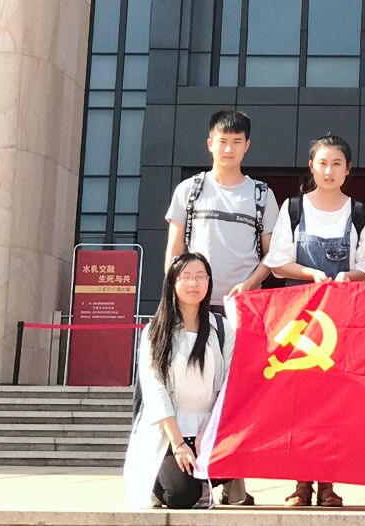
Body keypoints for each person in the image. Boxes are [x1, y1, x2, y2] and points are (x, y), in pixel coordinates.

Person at [164, 109, 278, 505]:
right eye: (222, 141)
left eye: (236, 142)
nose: (229, 148)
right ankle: (177, 462)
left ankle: (236, 480)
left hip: (240, 309)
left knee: (235, 393)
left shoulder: (261, 194)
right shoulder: (190, 190)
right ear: (210, 143)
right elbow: (174, 250)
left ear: (247, 146)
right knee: (193, 385)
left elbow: (272, 254)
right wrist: (175, 299)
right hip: (193, 307)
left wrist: (251, 284)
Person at [262, 133, 365, 509]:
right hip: (299, 323)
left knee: (334, 406)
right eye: (323, 163)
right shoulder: (293, 208)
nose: (329, 171)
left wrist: (347, 277)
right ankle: (301, 483)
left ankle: (328, 483)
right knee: (298, 403)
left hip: (342, 323)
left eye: (337, 164)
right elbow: (278, 262)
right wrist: (310, 273)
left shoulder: (359, 212)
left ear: (348, 169)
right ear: (311, 167)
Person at [123, 252, 231, 510]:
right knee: (180, 496)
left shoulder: (222, 328)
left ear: (209, 282)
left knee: (228, 464)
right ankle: (158, 481)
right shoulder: (156, 331)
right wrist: (178, 442)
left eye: (201, 276)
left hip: (208, 427)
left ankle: (201, 482)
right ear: (173, 282)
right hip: (170, 429)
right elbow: (155, 389)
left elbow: (229, 384)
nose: (194, 283)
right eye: (186, 277)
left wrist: (209, 431)